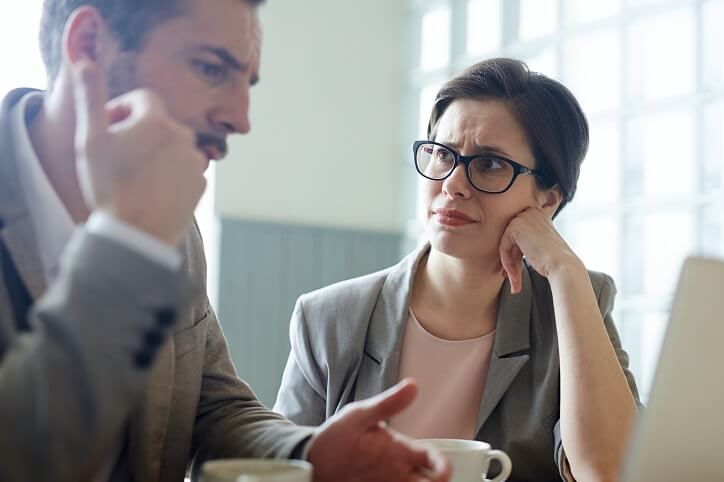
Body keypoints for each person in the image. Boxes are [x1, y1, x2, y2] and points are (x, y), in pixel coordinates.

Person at [0, 1, 451, 481]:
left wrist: (311, 452)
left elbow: (211, 408)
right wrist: (129, 244)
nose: (241, 118)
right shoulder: (146, 226)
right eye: (210, 68)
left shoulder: (169, 223)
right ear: (89, 45)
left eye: (247, 83)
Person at [275, 58, 643, 482]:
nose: (452, 183)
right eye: (440, 154)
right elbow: (283, 472)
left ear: (547, 200)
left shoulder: (574, 305)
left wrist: (565, 271)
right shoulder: (329, 318)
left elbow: (611, 471)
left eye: (489, 164)